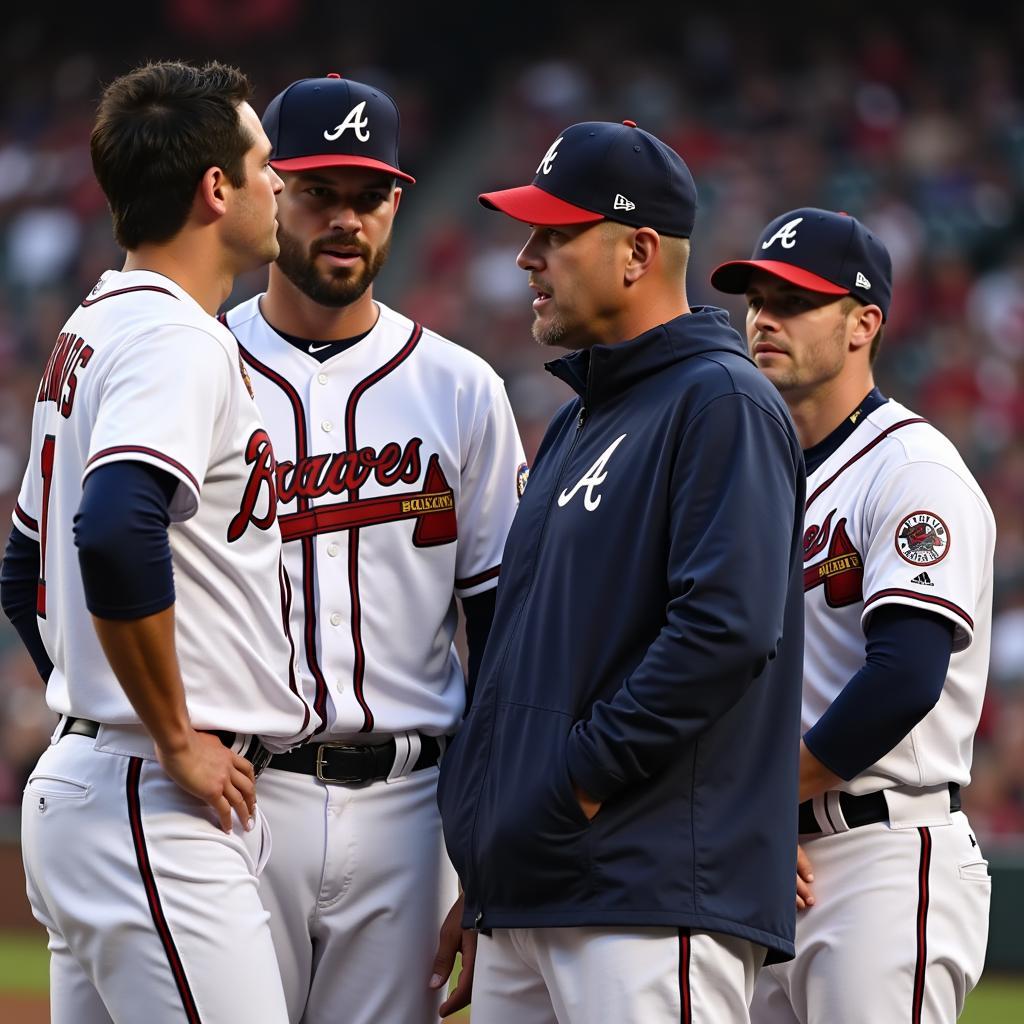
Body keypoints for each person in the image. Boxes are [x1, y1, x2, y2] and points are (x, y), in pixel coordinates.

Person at [435, 120, 807, 1024]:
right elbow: (526, 655)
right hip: (541, 890)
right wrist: (493, 872)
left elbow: (724, 631)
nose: (527, 257)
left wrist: (575, 787)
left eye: (554, 234)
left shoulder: (722, 401)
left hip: (647, 893)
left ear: (638, 251)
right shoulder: (577, 422)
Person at [0, 60, 319, 1023]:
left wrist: (92, 696)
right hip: (149, 797)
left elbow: (23, 566)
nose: (278, 183)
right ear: (214, 189)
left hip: (99, 777)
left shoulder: (95, 323)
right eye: (264, 163)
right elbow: (113, 523)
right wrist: (172, 734)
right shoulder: (176, 338)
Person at [220, 74, 526, 1024]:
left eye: (370, 196)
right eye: (319, 192)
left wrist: (488, 839)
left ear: (397, 202)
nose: (345, 220)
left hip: (409, 805)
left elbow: (503, 633)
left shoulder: (462, 389)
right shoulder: (199, 364)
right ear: (270, 191)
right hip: (234, 798)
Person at [711, 208, 994, 1023]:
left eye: (795, 301)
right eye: (757, 298)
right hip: (769, 855)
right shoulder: (751, 478)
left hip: (881, 849)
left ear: (864, 323)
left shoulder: (912, 468)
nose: (764, 318)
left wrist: (754, 797)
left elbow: (904, 678)